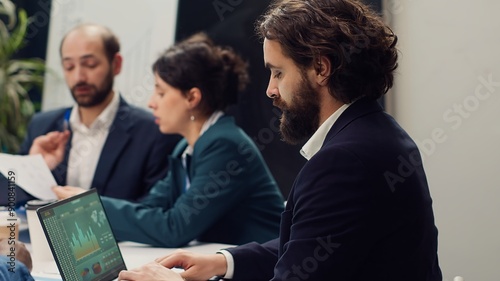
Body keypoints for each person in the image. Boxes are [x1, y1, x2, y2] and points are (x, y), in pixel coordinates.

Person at [117, 0, 442, 280]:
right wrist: (223, 261)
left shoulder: (345, 161)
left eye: (278, 73)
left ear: (320, 68)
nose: (270, 90)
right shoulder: (376, 134)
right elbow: (309, 246)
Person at [53, 33, 284, 248]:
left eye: (161, 93)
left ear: (192, 97)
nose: (151, 103)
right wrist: (89, 207)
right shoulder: (187, 147)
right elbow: (149, 207)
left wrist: (91, 206)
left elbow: (175, 228)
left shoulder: (225, 145)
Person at [0, 23, 181, 206]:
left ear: (116, 64)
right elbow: (5, 198)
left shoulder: (153, 132)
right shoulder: (42, 125)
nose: (79, 77)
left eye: (90, 64)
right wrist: (34, 169)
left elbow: (154, 213)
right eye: (69, 67)